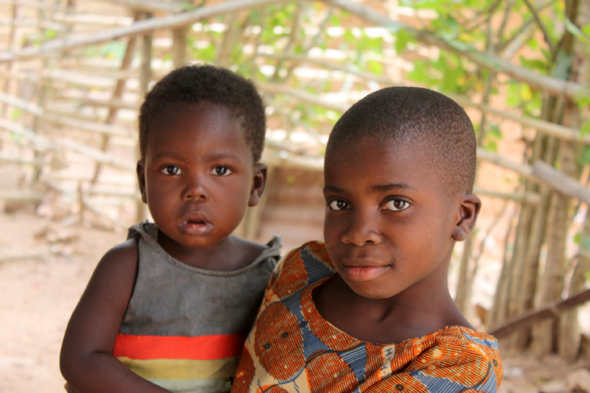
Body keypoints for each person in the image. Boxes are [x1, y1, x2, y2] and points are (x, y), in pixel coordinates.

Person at [231, 87, 503, 393]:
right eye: (339, 204)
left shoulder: (461, 367)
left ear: (462, 217)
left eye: (396, 203)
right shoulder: (302, 271)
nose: (357, 233)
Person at [60, 65, 281, 393]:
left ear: (255, 184)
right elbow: (81, 359)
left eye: (220, 169)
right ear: (143, 182)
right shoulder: (128, 266)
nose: (196, 189)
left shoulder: (266, 274)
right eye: (171, 168)